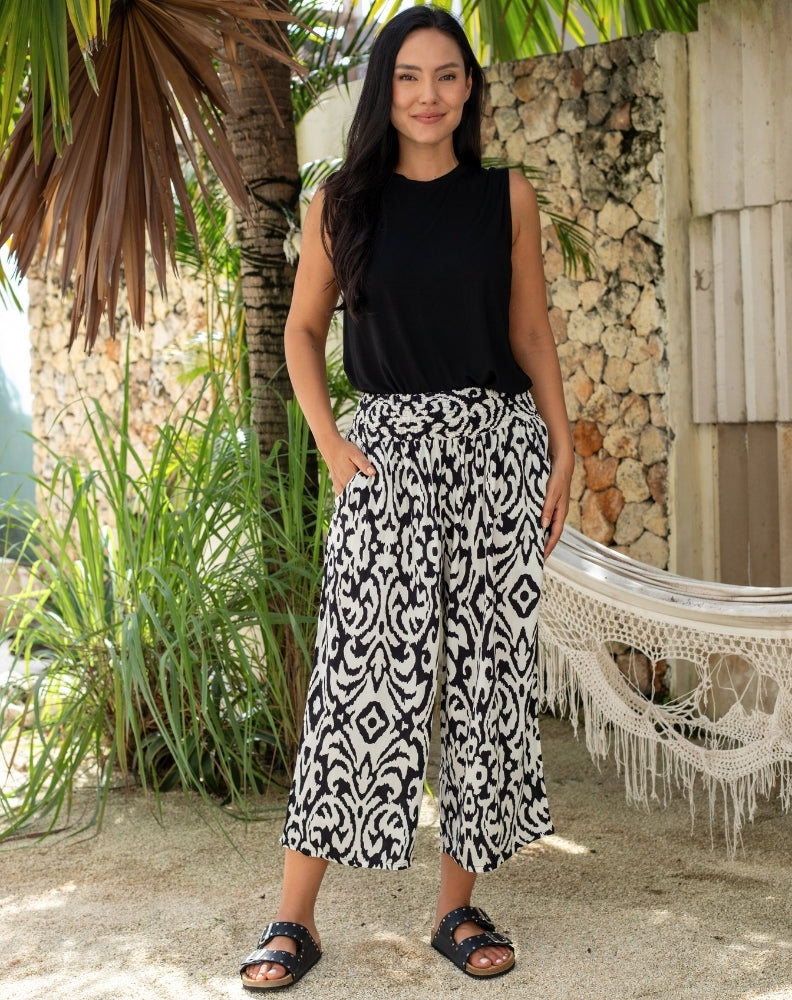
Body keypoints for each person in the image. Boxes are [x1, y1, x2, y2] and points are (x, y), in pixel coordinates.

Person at [239, 5, 573, 990]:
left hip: (498, 454)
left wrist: (562, 449)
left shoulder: (505, 196)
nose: (430, 95)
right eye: (409, 77)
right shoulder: (343, 201)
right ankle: (293, 918)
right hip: (383, 458)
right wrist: (333, 445)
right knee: (358, 679)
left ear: (469, 89)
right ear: (385, 89)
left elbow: (532, 331)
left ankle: (455, 908)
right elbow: (302, 331)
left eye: (449, 76)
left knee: (489, 683)